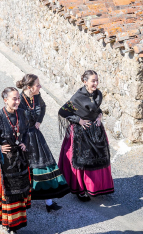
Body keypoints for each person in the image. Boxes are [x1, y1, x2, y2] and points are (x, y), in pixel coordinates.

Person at [58, 70, 114, 202]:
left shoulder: (98, 94)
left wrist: (99, 116)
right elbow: (63, 111)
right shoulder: (77, 97)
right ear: (85, 82)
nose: (96, 83)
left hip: (96, 131)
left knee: (99, 159)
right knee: (83, 161)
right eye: (93, 81)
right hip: (81, 132)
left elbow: (96, 109)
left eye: (97, 80)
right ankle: (80, 190)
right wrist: (79, 120)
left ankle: (96, 187)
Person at [17, 74, 69, 212]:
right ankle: (22, 202)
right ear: (29, 87)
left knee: (45, 165)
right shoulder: (19, 100)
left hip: (35, 135)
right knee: (25, 169)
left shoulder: (36, 97)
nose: (40, 87)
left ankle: (49, 202)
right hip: (23, 138)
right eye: (38, 85)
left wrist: (39, 121)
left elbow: (44, 107)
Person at [0, 87, 31, 232]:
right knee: (8, 192)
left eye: (18, 98)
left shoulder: (22, 113)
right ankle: (5, 224)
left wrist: (25, 142)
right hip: (5, 162)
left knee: (19, 192)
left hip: (20, 159)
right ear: (5, 100)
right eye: (14, 99)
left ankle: (15, 224)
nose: (18, 101)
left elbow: (27, 131)